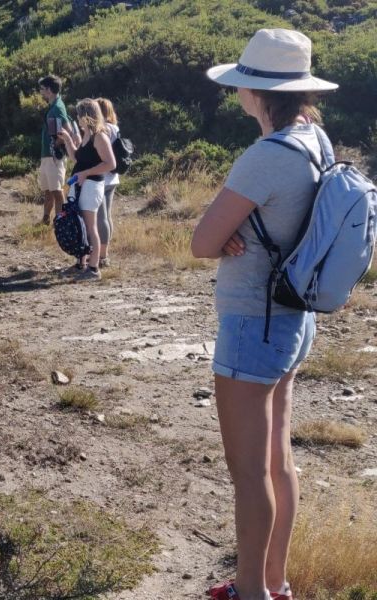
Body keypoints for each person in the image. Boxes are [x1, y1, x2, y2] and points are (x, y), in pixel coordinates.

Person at [190, 29, 338, 600]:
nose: (237, 96)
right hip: (295, 321)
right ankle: (274, 583)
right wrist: (244, 232)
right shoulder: (317, 141)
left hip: (255, 321)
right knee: (279, 460)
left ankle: (249, 592)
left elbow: (203, 241)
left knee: (249, 472)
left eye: (243, 88)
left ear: (257, 93)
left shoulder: (265, 156)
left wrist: (233, 235)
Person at [57, 98, 116, 281]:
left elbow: (110, 164)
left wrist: (86, 173)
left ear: (86, 115)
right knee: (80, 226)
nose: (78, 118)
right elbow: (77, 158)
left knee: (90, 227)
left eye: (79, 114)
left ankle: (93, 268)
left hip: (92, 186)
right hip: (81, 184)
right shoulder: (87, 135)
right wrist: (67, 139)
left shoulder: (100, 136)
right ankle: (80, 263)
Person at [37, 75, 73, 224]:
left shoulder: (58, 107)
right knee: (48, 190)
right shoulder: (53, 106)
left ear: (50, 90)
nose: (41, 92)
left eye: (42, 89)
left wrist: (57, 144)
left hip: (53, 158)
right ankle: (45, 219)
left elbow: (67, 129)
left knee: (57, 191)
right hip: (47, 156)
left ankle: (60, 223)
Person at [95, 98, 119, 268]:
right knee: (107, 216)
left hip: (103, 177)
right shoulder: (115, 128)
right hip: (113, 178)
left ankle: (103, 256)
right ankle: (106, 252)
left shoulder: (103, 130)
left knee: (100, 218)